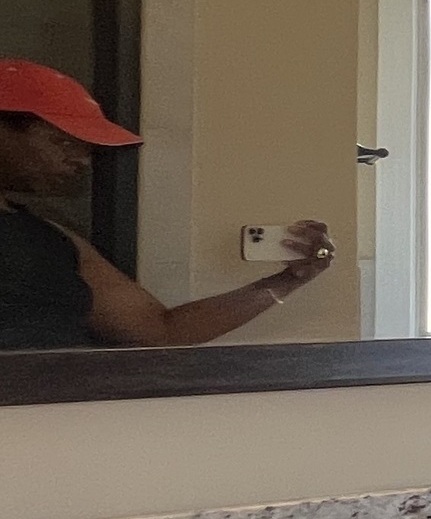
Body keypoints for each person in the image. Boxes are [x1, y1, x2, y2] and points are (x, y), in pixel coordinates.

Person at [0, 59, 332, 349]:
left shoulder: (52, 239)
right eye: (61, 142)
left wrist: (289, 280)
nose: (81, 161)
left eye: (85, 148)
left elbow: (161, 330)